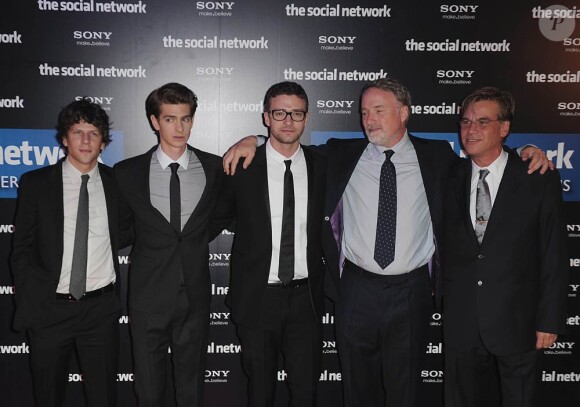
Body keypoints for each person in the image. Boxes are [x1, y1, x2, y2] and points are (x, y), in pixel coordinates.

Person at [222, 78, 551, 407]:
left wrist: (523, 151)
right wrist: (256, 138)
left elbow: (487, 159)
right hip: (355, 289)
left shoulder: (438, 158)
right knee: (356, 389)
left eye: (378, 110)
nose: (369, 120)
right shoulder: (340, 154)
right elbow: (286, 149)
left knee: (405, 391)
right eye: (365, 112)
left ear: (404, 112)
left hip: (411, 292)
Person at [442, 87, 568, 407]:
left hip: (518, 323)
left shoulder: (537, 177)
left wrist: (548, 321)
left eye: (483, 122)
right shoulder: (447, 175)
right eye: (466, 121)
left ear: (504, 128)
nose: (471, 130)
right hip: (462, 324)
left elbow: (553, 253)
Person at [211, 81, 325, 407]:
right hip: (258, 298)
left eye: (296, 113)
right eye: (279, 113)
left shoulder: (322, 164)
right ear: (266, 117)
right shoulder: (241, 167)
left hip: (306, 300)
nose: (288, 121)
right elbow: (218, 218)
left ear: (306, 118)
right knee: (260, 393)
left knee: (306, 393)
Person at [11, 98, 127, 407]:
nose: (86, 140)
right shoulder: (35, 184)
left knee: (103, 397)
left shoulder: (119, 184)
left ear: (104, 141)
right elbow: (20, 249)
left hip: (100, 310)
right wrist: (33, 299)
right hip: (50, 310)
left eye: (93, 132)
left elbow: (129, 232)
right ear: (65, 138)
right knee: (48, 397)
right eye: (78, 132)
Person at [114, 83, 223, 407]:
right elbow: (122, 228)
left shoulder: (215, 168)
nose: (179, 128)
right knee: (148, 390)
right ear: (154, 121)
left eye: (186, 119)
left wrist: (194, 239)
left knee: (191, 390)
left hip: (195, 296)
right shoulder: (127, 172)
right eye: (171, 119)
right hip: (148, 297)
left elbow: (222, 216)